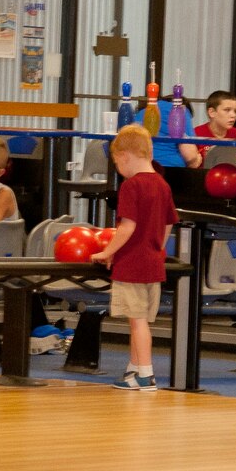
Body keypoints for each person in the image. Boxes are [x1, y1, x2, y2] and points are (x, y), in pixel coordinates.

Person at [90, 125, 179, 391]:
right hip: (152, 261)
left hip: (132, 264)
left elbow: (126, 227)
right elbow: (169, 224)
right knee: (136, 318)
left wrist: (108, 251)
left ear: (125, 156)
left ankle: (145, 374)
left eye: (116, 162)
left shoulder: (132, 186)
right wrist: (158, 247)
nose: (118, 167)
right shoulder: (162, 185)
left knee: (138, 322)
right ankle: (133, 369)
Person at [180, 90, 236, 168]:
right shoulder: (196, 134)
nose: (233, 115)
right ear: (211, 112)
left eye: (235, 111)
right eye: (227, 110)